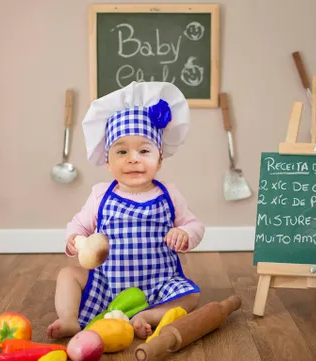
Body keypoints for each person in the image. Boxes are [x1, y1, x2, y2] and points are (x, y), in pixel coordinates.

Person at [47, 81, 205, 340]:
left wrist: (185, 234)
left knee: (192, 295)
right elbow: (78, 225)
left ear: (160, 158)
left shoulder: (169, 193)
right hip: (107, 285)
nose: (133, 158)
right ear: (108, 162)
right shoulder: (101, 194)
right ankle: (68, 318)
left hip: (159, 283)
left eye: (144, 150)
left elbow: (195, 225)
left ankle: (147, 316)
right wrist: (76, 240)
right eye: (121, 151)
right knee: (68, 275)